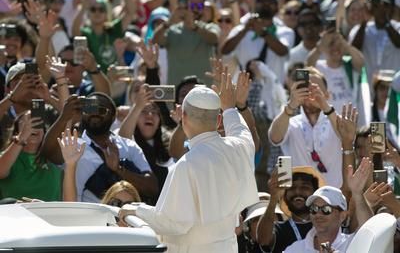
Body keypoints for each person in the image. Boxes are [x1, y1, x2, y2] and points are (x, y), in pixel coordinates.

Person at [119, 72, 259, 252]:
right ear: (218, 120)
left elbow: (173, 223)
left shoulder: (186, 165)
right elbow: (240, 130)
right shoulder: (240, 147)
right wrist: (230, 108)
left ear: (183, 118)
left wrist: (136, 210)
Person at [40, 93, 159, 203]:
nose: (95, 114)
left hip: (120, 221)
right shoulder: (72, 145)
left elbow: (152, 188)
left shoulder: (129, 147)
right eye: (89, 109)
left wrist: (119, 169)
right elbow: (47, 152)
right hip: (81, 219)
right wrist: (64, 117)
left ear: (113, 117)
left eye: (101, 110)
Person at [269, 68, 344, 187]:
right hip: (298, 198)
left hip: (332, 197)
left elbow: (347, 137)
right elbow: (274, 138)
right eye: (306, 90)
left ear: (327, 95)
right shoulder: (290, 121)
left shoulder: (336, 120)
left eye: (315, 89)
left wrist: (325, 107)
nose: (311, 94)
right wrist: (291, 106)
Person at [284, 157, 374, 252]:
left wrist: (357, 192)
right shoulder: (294, 249)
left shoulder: (352, 243)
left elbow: (369, 228)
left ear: (342, 216)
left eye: (326, 209)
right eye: (313, 209)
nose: (318, 214)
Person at [152, 0, 220, 86]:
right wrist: (169, 22)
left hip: (204, 94)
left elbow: (214, 39)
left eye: (199, 5)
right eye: (191, 5)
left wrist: (195, 27)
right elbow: (155, 41)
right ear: (183, 5)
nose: (195, 9)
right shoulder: (172, 29)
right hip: (177, 93)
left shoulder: (210, 27)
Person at [257, 166, 325, 253]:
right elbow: (263, 240)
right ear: (284, 196)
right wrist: (274, 197)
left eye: (305, 187)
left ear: (315, 194)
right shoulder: (279, 229)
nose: (297, 192)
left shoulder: (326, 224)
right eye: (292, 187)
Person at [0, 111, 62, 201]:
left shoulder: (53, 155)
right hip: (17, 214)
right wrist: (22, 137)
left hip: (49, 214)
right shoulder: (6, 157)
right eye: (27, 123)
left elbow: (67, 119)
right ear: (17, 132)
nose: (33, 126)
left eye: (38, 123)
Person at [350, 0, 400, 84]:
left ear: (393, 9)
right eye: (377, 6)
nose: (381, 10)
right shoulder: (360, 29)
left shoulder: (397, 27)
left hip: (394, 86)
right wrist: (364, 22)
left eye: (386, 6)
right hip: (367, 86)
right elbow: (354, 49)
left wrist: (386, 23)